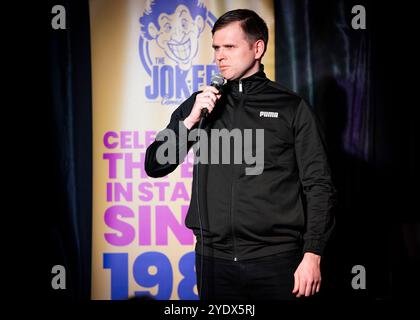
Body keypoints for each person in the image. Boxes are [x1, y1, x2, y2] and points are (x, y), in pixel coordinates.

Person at [145, 9, 336, 300]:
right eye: (216, 48)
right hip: (213, 261)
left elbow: (319, 185)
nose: (220, 56)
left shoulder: (291, 107)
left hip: (276, 261)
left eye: (230, 47)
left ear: (257, 48)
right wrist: (189, 122)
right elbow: (155, 165)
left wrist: (312, 254)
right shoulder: (201, 105)